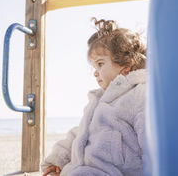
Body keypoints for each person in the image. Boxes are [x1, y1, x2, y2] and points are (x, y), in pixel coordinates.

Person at [41, 18, 146, 176]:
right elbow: (79, 134)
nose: (95, 72)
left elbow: (151, 139)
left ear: (126, 65)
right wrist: (58, 159)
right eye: (93, 67)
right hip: (81, 170)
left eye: (100, 64)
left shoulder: (139, 95)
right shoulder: (98, 100)